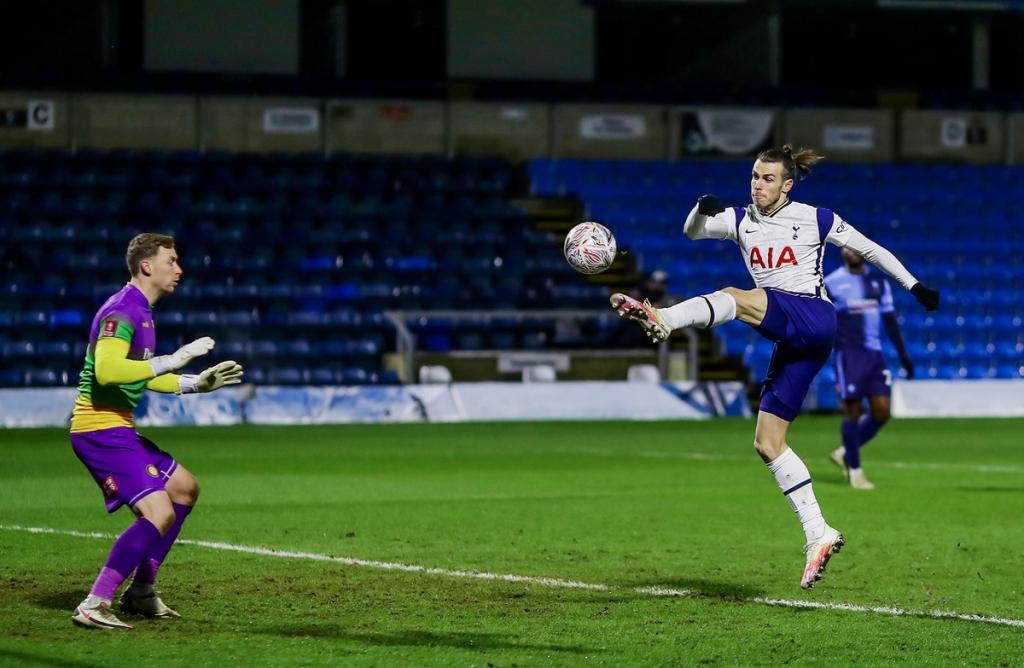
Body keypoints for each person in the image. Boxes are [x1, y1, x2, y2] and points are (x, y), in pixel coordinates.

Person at [610, 145, 939, 589]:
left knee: (738, 296)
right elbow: (693, 232)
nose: (757, 184)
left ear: (786, 185)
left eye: (767, 179)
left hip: (814, 317)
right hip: (794, 338)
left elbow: (871, 249)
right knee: (767, 442)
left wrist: (914, 286)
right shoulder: (741, 219)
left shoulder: (816, 217)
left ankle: (663, 318)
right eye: (754, 176)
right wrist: (698, 210)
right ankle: (818, 532)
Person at [70, 233, 243, 629]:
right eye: (172, 261)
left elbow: (141, 375)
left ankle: (142, 592)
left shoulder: (144, 311)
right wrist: (170, 360)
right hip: (98, 429)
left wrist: (193, 383)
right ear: (147, 266)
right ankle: (94, 603)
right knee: (158, 511)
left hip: (118, 428)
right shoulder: (123, 311)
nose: (179, 269)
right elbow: (108, 372)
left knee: (184, 488)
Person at [824, 248, 914, 490]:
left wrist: (903, 354)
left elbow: (890, 320)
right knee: (851, 411)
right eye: (846, 247)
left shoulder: (878, 283)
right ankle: (855, 472)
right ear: (841, 252)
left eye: (855, 247)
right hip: (848, 355)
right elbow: (822, 320)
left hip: (874, 355)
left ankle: (844, 452)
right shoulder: (831, 283)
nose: (851, 251)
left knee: (882, 412)